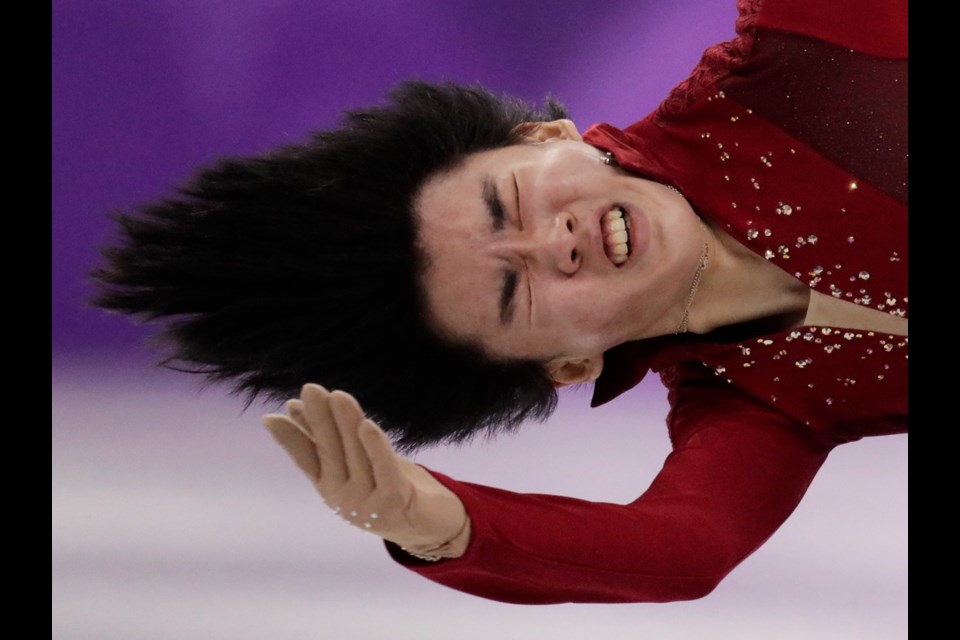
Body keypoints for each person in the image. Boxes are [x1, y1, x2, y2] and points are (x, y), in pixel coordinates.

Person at [92, 0, 906, 604]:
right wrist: (441, 524)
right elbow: (683, 550)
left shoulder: (807, 51)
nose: (555, 243)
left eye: (507, 206)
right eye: (517, 291)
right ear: (566, 364)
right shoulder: (765, 406)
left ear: (547, 139)